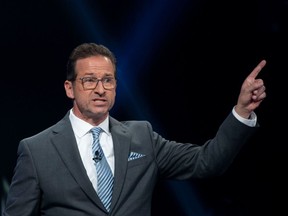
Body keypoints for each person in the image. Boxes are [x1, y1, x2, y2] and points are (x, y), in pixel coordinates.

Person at [3, 42, 267, 216]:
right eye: (89, 80)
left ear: (116, 86)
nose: (99, 89)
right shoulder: (37, 150)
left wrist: (242, 111)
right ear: (69, 88)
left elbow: (207, 162)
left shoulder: (142, 137)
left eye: (108, 80)